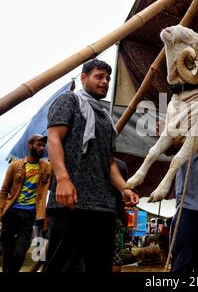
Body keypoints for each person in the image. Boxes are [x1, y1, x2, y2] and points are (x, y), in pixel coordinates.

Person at [44, 58, 139, 273]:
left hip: (103, 206)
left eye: (108, 78)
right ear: (84, 77)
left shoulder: (105, 117)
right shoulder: (69, 101)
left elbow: (108, 160)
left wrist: (124, 188)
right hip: (72, 201)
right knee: (63, 266)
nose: (105, 81)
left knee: (99, 267)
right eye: (99, 76)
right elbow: (54, 139)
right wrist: (63, 180)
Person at [0, 134, 51, 272]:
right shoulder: (15, 166)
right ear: (30, 145)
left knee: (20, 252)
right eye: (38, 144)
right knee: (7, 250)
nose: (42, 147)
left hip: (31, 215)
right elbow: (4, 190)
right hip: (11, 212)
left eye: (43, 145)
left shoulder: (47, 167)